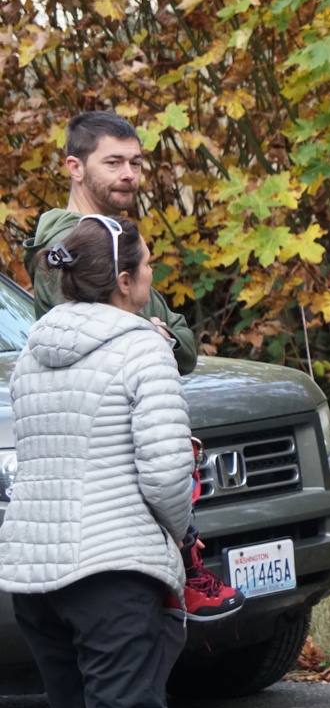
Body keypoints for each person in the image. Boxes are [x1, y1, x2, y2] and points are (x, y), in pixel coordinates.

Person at [21, 111, 243, 621]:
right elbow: (141, 338)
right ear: (75, 167)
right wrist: (151, 333)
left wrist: (157, 332)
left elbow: (181, 343)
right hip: (104, 477)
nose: (128, 174)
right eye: (113, 162)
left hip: (132, 456)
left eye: (136, 163)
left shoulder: (116, 239)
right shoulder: (70, 248)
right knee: (122, 642)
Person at [0, 215, 195, 708]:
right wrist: (180, 536)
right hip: (111, 575)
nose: (153, 273)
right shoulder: (143, 349)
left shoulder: (30, 354)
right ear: (125, 281)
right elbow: (166, 473)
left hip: (35, 581)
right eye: (148, 263)